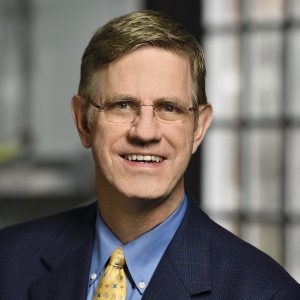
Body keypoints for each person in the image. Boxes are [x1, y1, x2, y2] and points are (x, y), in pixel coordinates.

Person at [0, 10, 299, 300]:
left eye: (169, 108)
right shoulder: (7, 261)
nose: (144, 132)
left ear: (198, 128)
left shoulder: (266, 292)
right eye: (122, 105)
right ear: (83, 121)